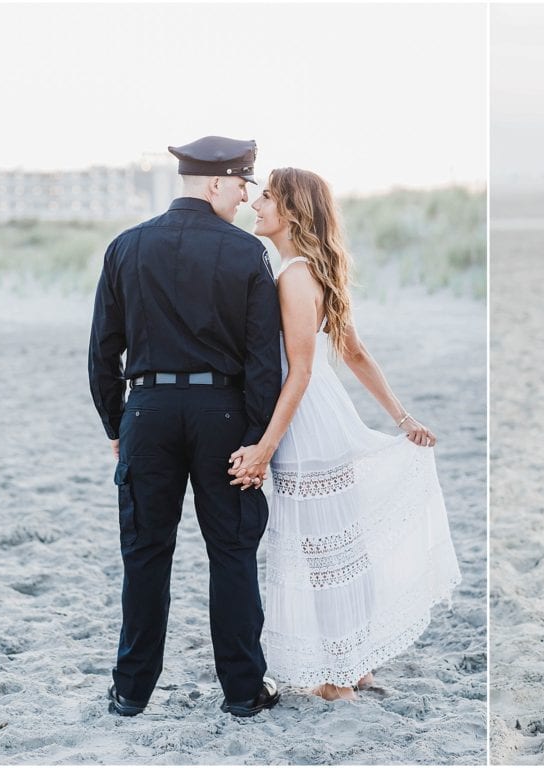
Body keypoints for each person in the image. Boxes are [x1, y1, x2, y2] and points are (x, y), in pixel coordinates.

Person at [227, 167, 461, 701]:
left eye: (266, 197)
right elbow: (353, 353)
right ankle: (354, 665)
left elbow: (302, 371)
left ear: (291, 210)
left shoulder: (292, 276)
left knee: (323, 553)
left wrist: (265, 446)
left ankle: (338, 679)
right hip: (324, 415)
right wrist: (402, 418)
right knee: (341, 549)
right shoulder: (311, 269)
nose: (256, 205)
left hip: (306, 422)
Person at [88, 135, 283, 718]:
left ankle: (131, 692)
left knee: (145, 551)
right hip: (222, 416)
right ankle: (245, 692)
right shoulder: (248, 254)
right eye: (243, 184)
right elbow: (261, 363)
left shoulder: (125, 247)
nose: (247, 195)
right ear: (217, 183)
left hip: (146, 413)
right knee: (231, 550)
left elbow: (103, 351)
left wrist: (116, 424)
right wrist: (255, 438)